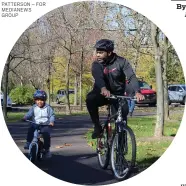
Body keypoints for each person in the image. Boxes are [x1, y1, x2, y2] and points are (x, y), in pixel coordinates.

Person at [86, 39, 144, 139]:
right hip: (101, 94)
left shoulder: (122, 62)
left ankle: (120, 148)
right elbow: (98, 77)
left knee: (121, 121)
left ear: (109, 52)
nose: (97, 55)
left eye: (100, 52)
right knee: (90, 99)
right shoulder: (96, 64)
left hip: (118, 95)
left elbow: (131, 77)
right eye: (97, 52)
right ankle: (97, 127)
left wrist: (137, 92)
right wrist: (103, 88)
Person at [23, 90, 55, 158]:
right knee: (30, 130)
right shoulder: (34, 107)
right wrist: (26, 117)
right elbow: (29, 114)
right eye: (37, 100)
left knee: (46, 135)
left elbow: (52, 115)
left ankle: (47, 149)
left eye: (41, 100)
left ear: (44, 100)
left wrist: (51, 121)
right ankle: (28, 142)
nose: (39, 102)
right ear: (35, 100)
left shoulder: (48, 107)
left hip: (45, 124)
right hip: (35, 123)